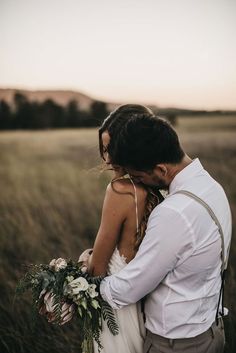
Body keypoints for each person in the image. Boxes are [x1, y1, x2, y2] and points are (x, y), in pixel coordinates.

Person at [99, 112, 232, 353]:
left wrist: (88, 284)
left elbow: (130, 288)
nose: (139, 183)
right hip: (211, 330)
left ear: (161, 169)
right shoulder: (212, 187)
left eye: (139, 177)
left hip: (176, 344)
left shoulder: (174, 212)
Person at [79, 104, 164, 353]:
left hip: (115, 310)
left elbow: (98, 268)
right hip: (147, 308)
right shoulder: (161, 188)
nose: (107, 159)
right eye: (104, 150)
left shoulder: (119, 191)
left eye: (111, 149)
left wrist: (85, 259)